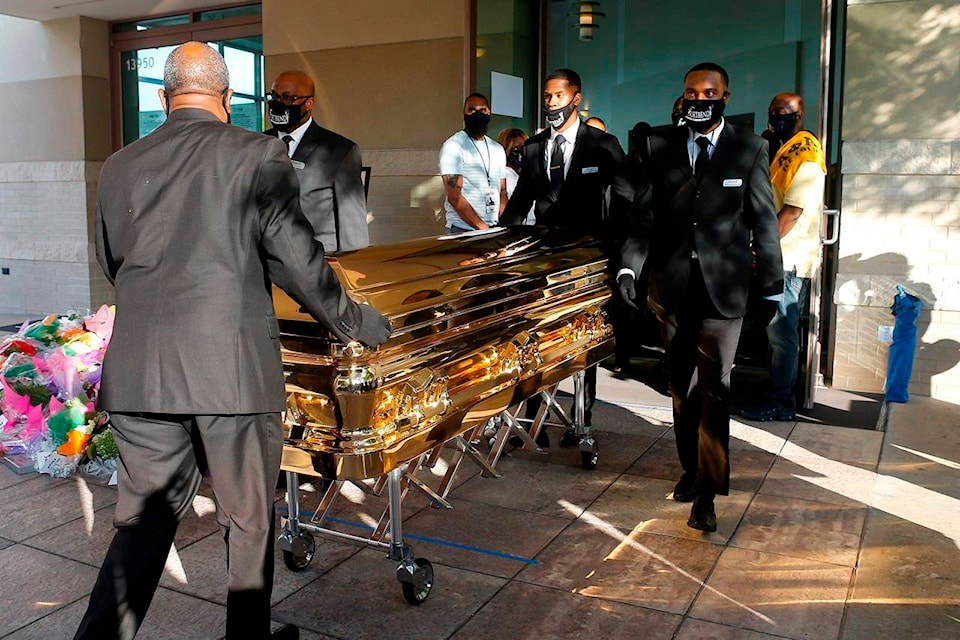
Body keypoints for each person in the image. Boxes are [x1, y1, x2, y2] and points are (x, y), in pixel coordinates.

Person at [74, 42, 392, 640]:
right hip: (231, 374)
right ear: (226, 97)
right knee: (247, 519)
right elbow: (296, 260)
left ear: (164, 98)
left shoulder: (118, 164)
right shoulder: (259, 155)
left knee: (142, 525)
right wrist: (354, 321)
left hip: (141, 373)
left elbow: (113, 262)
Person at [617, 62, 782, 532]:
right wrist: (630, 266)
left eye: (709, 92)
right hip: (671, 291)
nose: (699, 99)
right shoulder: (659, 146)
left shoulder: (749, 149)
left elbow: (764, 224)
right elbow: (644, 217)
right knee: (681, 391)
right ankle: (690, 469)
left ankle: (707, 492)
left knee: (715, 392)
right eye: (691, 92)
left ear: (725, 97)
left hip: (723, 294)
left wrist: (771, 285)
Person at [501, 68, 634, 445]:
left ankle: (581, 420)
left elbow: (627, 199)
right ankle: (533, 421)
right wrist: (497, 239)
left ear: (576, 98)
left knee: (582, 339)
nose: (551, 103)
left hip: (588, 261)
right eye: (546, 97)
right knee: (539, 338)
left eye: (558, 96)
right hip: (543, 260)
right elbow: (522, 201)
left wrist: (619, 251)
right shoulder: (533, 147)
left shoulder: (603, 145)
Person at [741, 93, 826, 422]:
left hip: (787, 258)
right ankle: (773, 392)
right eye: (773, 111)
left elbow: (791, 211)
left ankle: (781, 401)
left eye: (784, 112)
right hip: (777, 255)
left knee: (781, 332)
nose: (777, 117)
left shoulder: (806, 153)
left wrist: (762, 246)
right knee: (774, 331)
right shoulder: (782, 149)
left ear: (800, 114)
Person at [264, 70, 369, 253]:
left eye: (288, 98)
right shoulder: (258, 145)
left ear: (309, 103)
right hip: (266, 263)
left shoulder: (339, 151)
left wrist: (349, 271)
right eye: (273, 96)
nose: (278, 103)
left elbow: (352, 227)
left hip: (316, 262)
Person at [439, 93, 508, 234]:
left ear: (489, 113)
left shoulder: (497, 149)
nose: (478, 115)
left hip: (493, 229)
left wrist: (502, 222)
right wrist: (483, 228)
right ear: (464, 114)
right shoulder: (454, 146)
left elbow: (502, 190)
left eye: (482, 110)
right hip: (462, 230)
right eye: (472, 110)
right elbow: (454, 196)